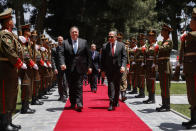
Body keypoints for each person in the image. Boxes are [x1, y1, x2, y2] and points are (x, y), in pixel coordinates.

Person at [0, 8, 25, 131]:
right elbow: (9, 51)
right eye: (10, 19)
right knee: (5, 95)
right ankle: (4, 124)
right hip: (5, 69)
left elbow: (18, 49)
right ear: (6, 22)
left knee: (12, 94)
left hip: (11, 69)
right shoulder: (4, 35)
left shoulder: (11, 34)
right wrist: (20, 63)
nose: (12, 21)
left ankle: (9, 121)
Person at [59, 26, 92, 112]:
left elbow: (88, 55)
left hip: (80, 68)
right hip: (69, 68)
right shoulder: (65, 43)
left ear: (78, 33)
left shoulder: (84, 42)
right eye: (73, 32)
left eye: (76, 32)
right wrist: (62, 63)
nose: (74, 33)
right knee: (71, 86)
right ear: (70, 33)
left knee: (79, 85)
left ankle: (79, 103)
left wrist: (89, 66)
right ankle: (73, 103)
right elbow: (61, 54)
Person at [101, 30, 127, 111]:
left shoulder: (121, 45)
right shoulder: (105, 46)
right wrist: (102, 70)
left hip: (118, 69)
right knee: (111, 85)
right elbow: (103, 59)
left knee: (117, 86)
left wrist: (123, 66)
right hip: (109, 70)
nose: (110, 38)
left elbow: (124, 57)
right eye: (109, 36)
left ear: (115, 37)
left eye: (111, 36)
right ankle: (111, 102)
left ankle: (116, 101)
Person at [180, 8, 196, 129]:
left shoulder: (192, 35)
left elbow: (191, 36)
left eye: (192, 21)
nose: (190, 23)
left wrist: (186, 34)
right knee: (191, 94)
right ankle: (193, 119)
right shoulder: (189, 35)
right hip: (190, 69)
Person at [18, 24, 37, 114]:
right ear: (25, 31)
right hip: (25, 67)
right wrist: (32, 63)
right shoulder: (22, 41)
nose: (30, 32)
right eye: (28, 30)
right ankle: (24, 108)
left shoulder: (28, 41)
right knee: (25, 87)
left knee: (28, 86)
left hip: (29, 68)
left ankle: (27, 106)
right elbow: (25, 54)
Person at [156, 24, 173, 112]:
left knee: (166, 86)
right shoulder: (163, 41)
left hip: (166, 66)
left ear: (167, 32)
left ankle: (167, 106)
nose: (161, 32)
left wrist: (157, 46)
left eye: (163, 30)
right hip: (162, 66)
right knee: (163, 86)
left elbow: (162, 49)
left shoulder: (168, 41)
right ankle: (164, 104)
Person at [143, 30, 158, 104]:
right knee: (148, 81)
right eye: (149, 35)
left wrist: (155, 64)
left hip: (152, 64)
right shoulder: (148, 45)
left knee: (152, 81)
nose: (150, 37)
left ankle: (152, 98)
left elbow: (157, 55)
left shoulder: (156, 44)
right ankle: (149, 97)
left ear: (154, 36)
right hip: (148, 64)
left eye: (151, 36)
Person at [51, 36, 68, 102]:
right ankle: (61, 95)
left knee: (65, 82)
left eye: (61, 40)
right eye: (59, 40)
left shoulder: (66, 49)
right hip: (58, 69)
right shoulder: (54, 49)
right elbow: (53, 60)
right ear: (57, 41)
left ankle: (65, 95)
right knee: (59, 83)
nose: (60, 41)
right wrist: (54, 68)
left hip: (65, 68)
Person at [134, 33, 146, 98]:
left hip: (142, 65)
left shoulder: (145, 47)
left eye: (142, 40)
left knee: (142, 79)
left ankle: (142, 93)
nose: (141, 41)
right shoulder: (139, 48)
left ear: (144, 40)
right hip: (138, 65)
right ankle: (140, 92)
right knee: (138, 79)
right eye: (140, 40)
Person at [117, 33, 128, 102]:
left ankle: (123, 95)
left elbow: (127, 57)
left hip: (123, 65)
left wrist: (128, 65)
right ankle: (116, 94)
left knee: (123, 80)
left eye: (120, 38)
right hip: (116, 66)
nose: (119, 39)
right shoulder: (114, 45)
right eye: (118, 38)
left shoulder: (124, 46)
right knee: (117, 80)